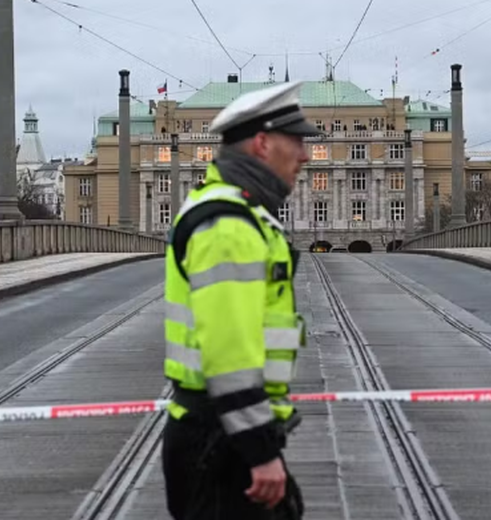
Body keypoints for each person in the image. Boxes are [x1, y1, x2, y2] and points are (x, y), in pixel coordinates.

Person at [162, 81, 322, 519]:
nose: (306, 156)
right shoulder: (229, 225)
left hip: (226, 430)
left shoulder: (244, 213)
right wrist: (259, 452)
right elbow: (229, 351)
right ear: (262, 143)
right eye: (297, 142)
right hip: (220, 437)